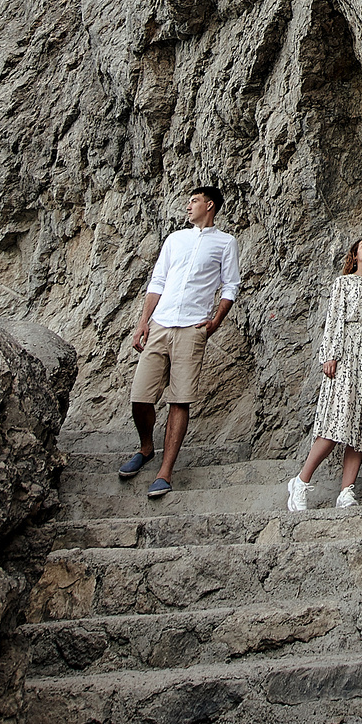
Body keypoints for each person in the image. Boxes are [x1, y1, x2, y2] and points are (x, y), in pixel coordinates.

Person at [119, 185, 241, 499]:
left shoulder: (226, 243)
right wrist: (143, 322)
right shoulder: (175, 239)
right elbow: (157, 280)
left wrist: (215, 320)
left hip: (192, 328)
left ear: (209, 205)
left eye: (194, 201)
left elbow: (230, 286)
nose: (188, 206)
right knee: (140, 396)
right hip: (160, 323)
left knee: (180, 399)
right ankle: (146, 447)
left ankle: (165, 472)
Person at [287, 233, 362, 510]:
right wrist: (330, 355)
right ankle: (300, 482)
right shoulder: (344, 283)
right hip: (347, 352)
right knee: (336, 421)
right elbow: (335, 318)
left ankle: (346, 491)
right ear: (354, 254)